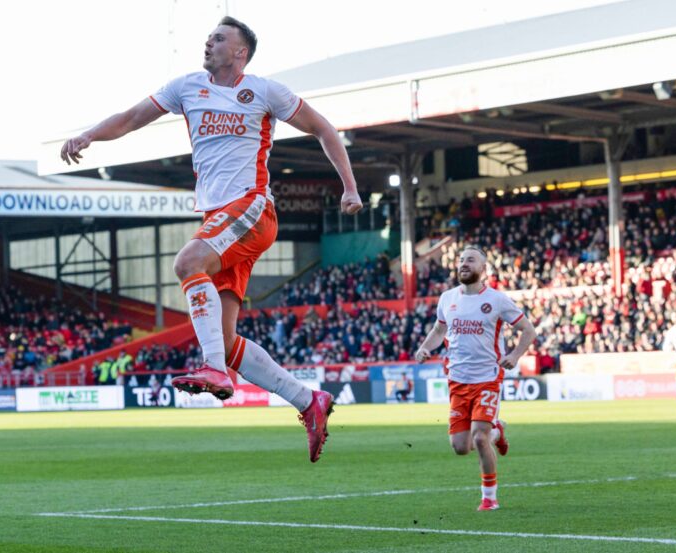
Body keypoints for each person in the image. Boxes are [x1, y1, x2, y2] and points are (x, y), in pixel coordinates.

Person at [61, 16, 362, 462]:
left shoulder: (264, 90)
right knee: (224, 336)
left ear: (240, 52)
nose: (209, 43)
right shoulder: (186, 87)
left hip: (252, 206)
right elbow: (130, 118)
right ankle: (308, 401)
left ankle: (214, 370)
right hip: (221, 219)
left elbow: (324, 128)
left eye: (219, 38)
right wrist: (89, 134)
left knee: (187, 263)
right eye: (208, 38)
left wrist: (350, 187)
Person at [414, 246, 537, 511]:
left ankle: (489, 499)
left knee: (479, 439)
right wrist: (425, 347)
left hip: (487, 378)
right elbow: (438, 330)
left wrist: (515, 356)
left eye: (470, 260)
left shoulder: (497, 300)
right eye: (461, 260)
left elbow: (528, 330)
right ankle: (498, 431)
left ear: (484, 269)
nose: (464, 264)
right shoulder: (447, 298)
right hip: (457, 380)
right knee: (461, 446)